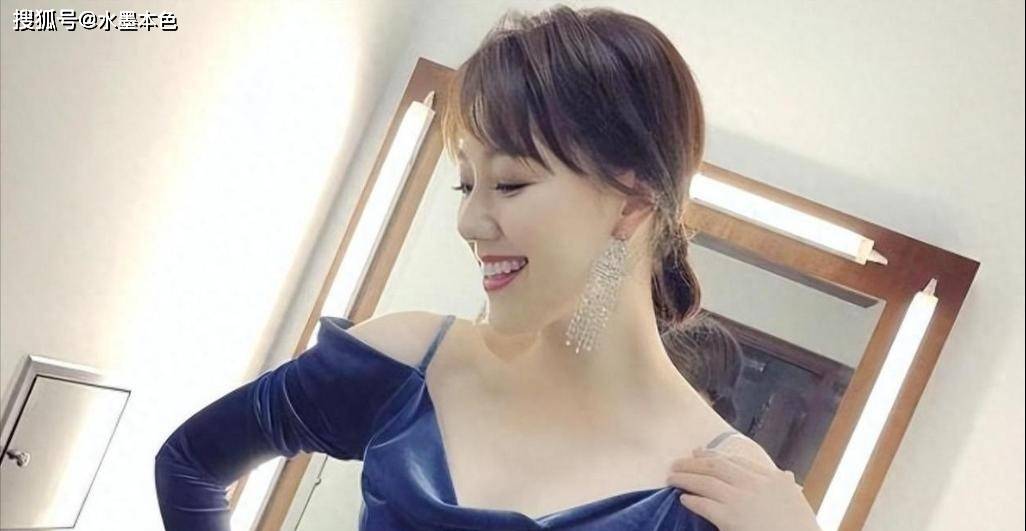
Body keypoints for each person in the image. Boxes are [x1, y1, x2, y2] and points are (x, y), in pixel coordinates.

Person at [154, 4, 821, 530]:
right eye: (465, 184)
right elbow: (189, 464)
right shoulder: (407, 363)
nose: (470, 223)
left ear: (631, 202)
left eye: (509, 184)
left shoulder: (723, 492)